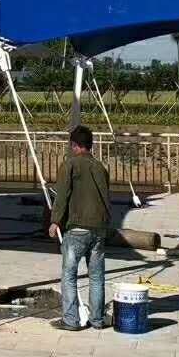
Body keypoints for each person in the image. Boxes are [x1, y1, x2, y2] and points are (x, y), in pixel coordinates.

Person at [48, 124, 112, 331]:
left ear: (74, 145)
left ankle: (71, 320)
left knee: (69, 275)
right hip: (99, 228)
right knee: (97, 276)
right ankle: (97, 319)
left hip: (76, 228)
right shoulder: (100, 167)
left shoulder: (70, 165)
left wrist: (55, 221)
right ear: (90, 145)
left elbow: (62, 196)